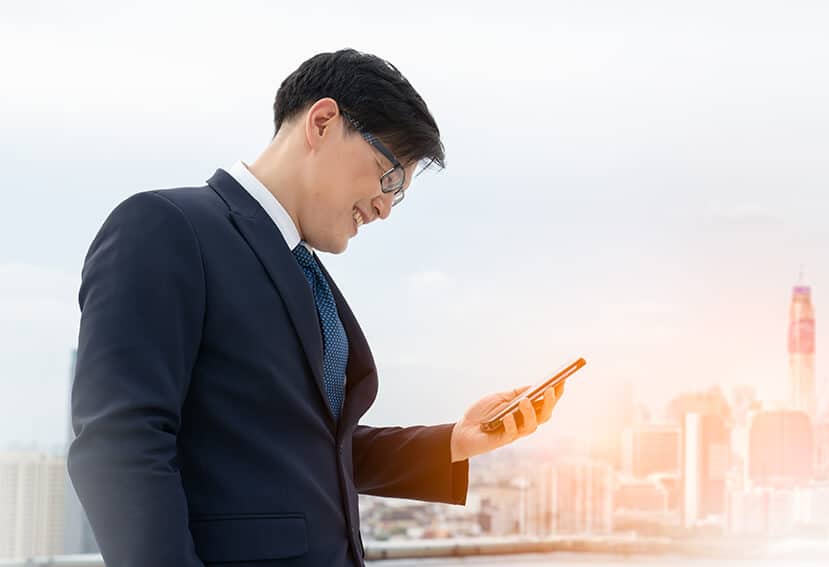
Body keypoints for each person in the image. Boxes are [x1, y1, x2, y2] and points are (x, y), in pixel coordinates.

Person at [68, 49, 565, 567]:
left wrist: (456, 441)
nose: (385, 207)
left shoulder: (301, 269)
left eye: (399, 194)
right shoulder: (167, 226)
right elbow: (121, 443)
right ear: (323, 123)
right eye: (387, 176)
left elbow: (314, 448)